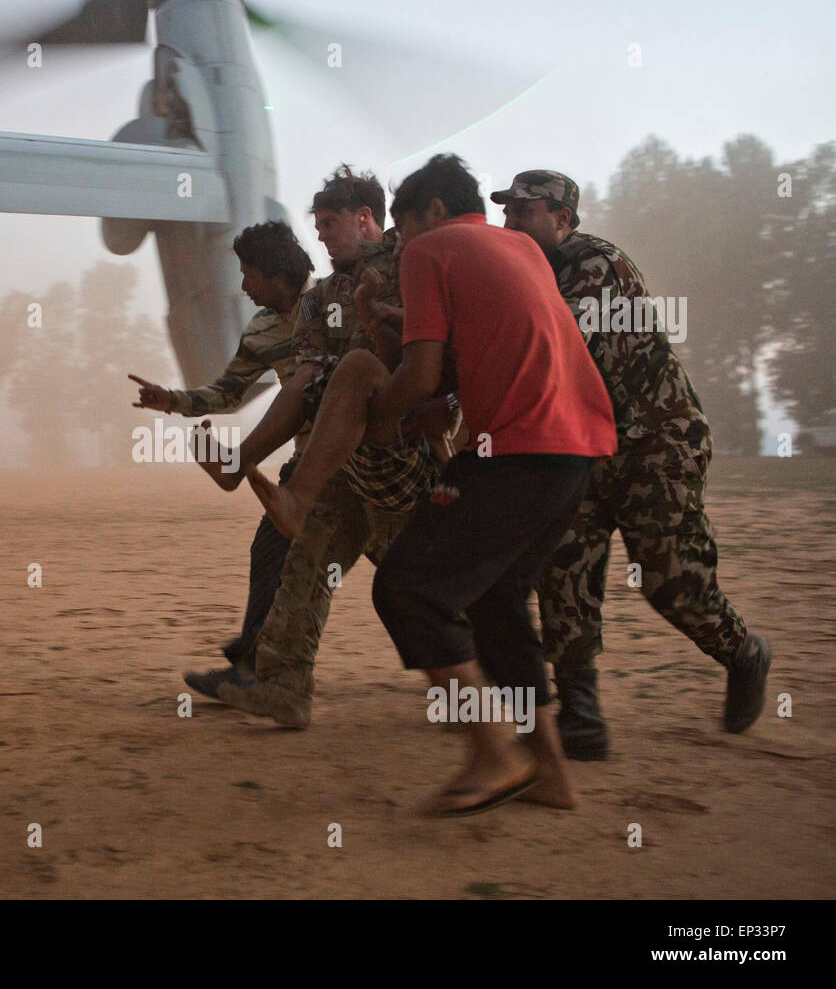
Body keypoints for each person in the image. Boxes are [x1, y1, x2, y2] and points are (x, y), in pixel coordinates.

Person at [330, 154, 617, 815]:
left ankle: (492, 752)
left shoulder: (430, 250)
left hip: (518, 451)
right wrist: (393, 323)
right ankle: (550, 772)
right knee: (496, 603)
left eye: (401, 228)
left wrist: (370, 419)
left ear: (429, 213)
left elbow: (423, 377)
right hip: (576, 452)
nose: (400, 245)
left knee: (408, 588)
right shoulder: (517, 248)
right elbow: (480, 345)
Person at [496, 170, 772, 759]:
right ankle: (581, 715)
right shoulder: (532, 273)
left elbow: (548, 344)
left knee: (673, 582)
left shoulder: (598, 266)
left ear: (563, 220)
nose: (511, 222)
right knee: (564, 568)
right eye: (507, 212)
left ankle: (743, 652)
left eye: (525, 211)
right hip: (588, 448)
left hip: (658, 443)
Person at [203, 166, 441, 728]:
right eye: (318, 225)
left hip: (406, 455)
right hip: (344, 461)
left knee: (425, 587)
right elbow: (305, 379)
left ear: (365, 219)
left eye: (330, 223)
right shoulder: (320, 300)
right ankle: (284, 686)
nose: (322, 236)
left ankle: (479, 689)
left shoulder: (412, 265)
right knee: (306, 561)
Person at [129, 221, 313, 696]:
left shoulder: (334, 307)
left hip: (372, 459)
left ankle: (475, 677)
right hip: (312, 469)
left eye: (250, 275)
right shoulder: (264, 329)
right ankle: (251, 670)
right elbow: (229, 393)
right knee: (273, 551)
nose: (244, 287)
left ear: (278, 274)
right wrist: (172, 400)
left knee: (409, 570)